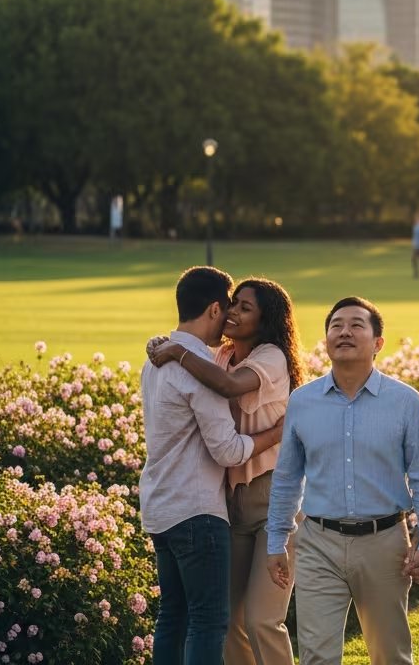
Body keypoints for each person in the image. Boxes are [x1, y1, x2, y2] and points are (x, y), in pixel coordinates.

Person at [265, 297, 419, 664]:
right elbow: (286, 478)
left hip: (385, 543)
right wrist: (276, 540)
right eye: (336, 326)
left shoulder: (404, 401)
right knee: (316, 656)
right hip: (318, 543)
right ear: (326, 340)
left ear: (378, 343)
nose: (344, 332)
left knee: (390, 654)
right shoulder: (303, 401)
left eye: (356, 325)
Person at [147, 278, 305, 665]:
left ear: (266, 319)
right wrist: (163, 344)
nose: (232, 311)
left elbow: (231, 385)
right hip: (230, 501)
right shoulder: (220, 356)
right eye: (233, 303)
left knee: (261, 619)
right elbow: (202, 363)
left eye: (245, 308)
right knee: (230, 622)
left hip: (272, 498)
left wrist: (176, 351)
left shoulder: (271, 357)